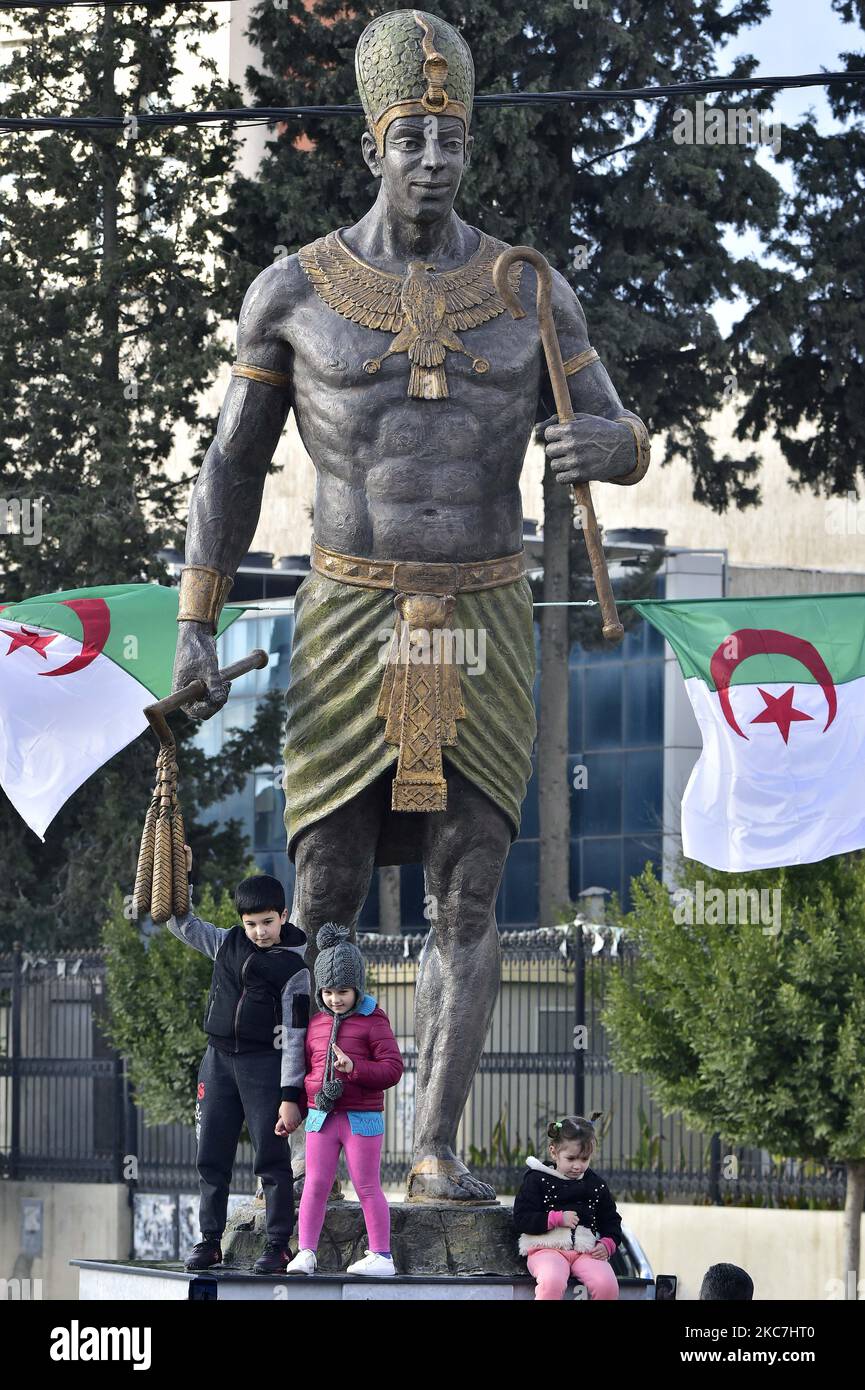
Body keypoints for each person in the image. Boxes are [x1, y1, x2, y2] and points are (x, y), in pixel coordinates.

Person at [171, 8, 652, 1205]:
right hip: (346, 611)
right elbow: (229, 465)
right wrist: (195, 619)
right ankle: (310, 1150)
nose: (435, 158)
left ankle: (431, 1145)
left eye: (452, 137)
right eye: (414, 136)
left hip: (483, 607)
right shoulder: (293, 290)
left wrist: (611, 444)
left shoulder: (528, 290)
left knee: (469, 891)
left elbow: (624, 431)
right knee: (323, 881)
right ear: (374, 143)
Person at [167, 845, 310, 1275]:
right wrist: (181, 874)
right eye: (251, 924)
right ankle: (210, 1241)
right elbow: (182, 923)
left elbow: (295, 1037)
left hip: (263, 1066)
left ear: (283, 916)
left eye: (267, 922)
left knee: (271, 1158)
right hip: (217, 1061)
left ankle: (278, 1244)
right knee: (210, 1156)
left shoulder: (294, 970)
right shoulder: (228, 942)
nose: (260, 932)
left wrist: (290, 1096)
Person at [284, 923, 403, 1278]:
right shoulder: (318, 1023)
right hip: (322, 1116)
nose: (336, 999)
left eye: (344, 991)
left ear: (357, 987)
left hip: (361, 1117)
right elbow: (309, 1071)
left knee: (367, 1185)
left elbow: (392, 1070)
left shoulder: (374, 1020)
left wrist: (354, 1070)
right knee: (315, 1184)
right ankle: (306, 1251)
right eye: (329, 991)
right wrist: (300, 1104)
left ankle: (382, 1255)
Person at [513, 1114, 622, 1301]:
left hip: (586, 1252)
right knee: (552, 1281)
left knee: (607, 1285)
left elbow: (611, 1220)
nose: (578, 1166)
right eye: (571, 1159)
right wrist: (556, 1219)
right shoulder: (536, 1179)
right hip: (546, 1250)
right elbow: (522, 1218)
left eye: (584, 1159)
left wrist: (608, 1244)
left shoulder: (596, 1184)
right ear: (553, 1152)